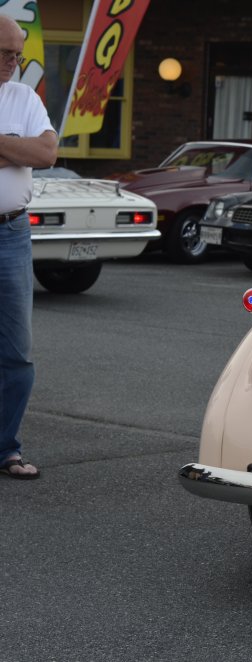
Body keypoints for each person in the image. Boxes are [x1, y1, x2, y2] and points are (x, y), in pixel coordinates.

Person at [0, 14, 58, 479]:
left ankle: (6, 450)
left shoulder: (24, 97)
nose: (13, 63)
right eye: (5, 53)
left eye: (17, 55)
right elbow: (29, 151)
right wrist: (15, 146)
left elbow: (46, 154)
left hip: (12, 232)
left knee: (16, 352)